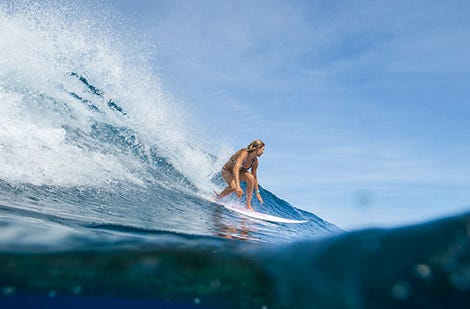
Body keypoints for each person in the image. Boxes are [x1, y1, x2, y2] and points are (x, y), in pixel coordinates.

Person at [215, 139, 265, 211]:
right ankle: (218, 197)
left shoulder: (255, 161)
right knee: (234, 187)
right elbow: (236, 168)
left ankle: (247, 204)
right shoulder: (244, 153)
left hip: (239, 172)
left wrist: (257, 192)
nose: (263, 152)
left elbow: (254, 177)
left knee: (251, 177)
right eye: (262, 149)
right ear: (257, 148)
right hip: (227, 170)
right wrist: (238, 187)